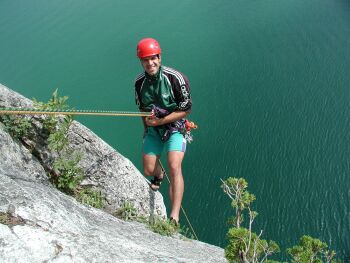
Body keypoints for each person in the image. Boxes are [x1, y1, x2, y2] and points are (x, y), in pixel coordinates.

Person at [134, 38, 192, 225]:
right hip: (153, 128)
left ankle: (174, 216)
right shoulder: (139, 83)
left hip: (175, 127)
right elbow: (142, 109)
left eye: (153, 58)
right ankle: (158, 175)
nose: (150, 63)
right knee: (148, 169)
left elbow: (186, 109)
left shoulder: (175, 78)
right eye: (145, 59)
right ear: (141, 61)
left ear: (160, 57)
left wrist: (161, 120)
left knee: (174, 165)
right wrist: (146, 128)